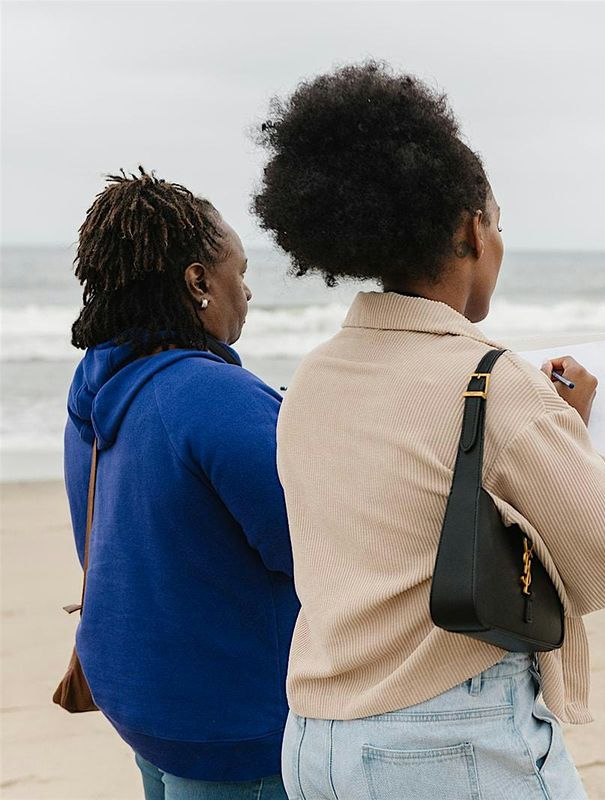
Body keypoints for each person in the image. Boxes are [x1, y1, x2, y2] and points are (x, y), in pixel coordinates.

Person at [253, 61, 605, 799]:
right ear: (470, 229)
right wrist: (574, 437)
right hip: (446, 739)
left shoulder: (315, 377)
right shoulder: (492, 381)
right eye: (499, 222)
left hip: (316, 741)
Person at [63, 168, 296, 799]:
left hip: (145, 701)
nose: (247, 293)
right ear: (198, 281)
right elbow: (307, 550)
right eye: (239, 274)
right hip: (235, 727)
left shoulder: (96, 384)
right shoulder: (215, 396)